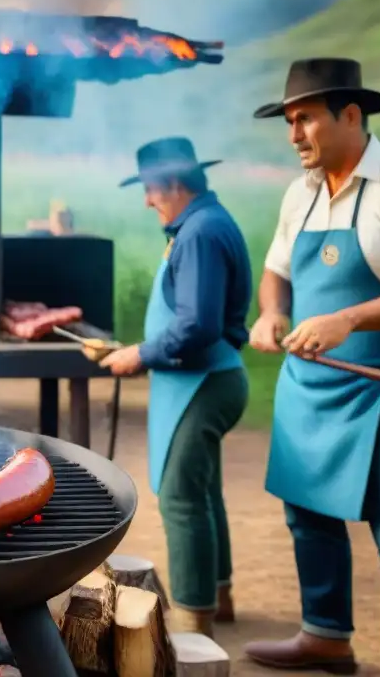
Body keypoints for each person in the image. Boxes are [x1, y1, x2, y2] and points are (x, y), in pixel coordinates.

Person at [244, 58, 380, 675]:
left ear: (350, 115)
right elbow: (277, 273)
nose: (294, 135)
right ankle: (325, 636)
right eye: (289, 121)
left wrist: (347, 320)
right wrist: (271, 314)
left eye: (306, 120)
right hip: (309, 386)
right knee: (307, 513)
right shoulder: (300, 193)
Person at [101, 137, 252, 637]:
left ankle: (194, 625)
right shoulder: (201, 223)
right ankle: (220, 598)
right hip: (207, 377)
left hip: (203, 382)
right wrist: (139, 350)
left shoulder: (201, 233)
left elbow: (198, 325)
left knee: (182, 498)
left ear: (171, 183)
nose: (147, 200)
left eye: (149, 188)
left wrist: (140, 354)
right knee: (203, 492)